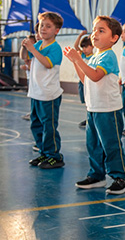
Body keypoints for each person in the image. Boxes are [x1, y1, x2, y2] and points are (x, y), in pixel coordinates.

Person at [64, 16, 125, 195]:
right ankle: (97, 175)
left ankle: (121, 178)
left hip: (108, 110)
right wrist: (76, 61)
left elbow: (95, 76)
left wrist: (78, 59)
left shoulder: (108, 56)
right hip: (93, 108)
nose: (95, 34)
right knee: (93, 144)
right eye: (94, 30)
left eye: (101, 30)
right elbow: (85, 79)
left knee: (111, 145)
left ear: (114, 38)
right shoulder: (94, 56)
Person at [22, 12, 65, 169]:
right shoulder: (39, 45)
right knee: (36, 124)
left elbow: (47, 63)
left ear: (56, 30)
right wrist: (25, 46)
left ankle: (55, 156)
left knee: (49, 127)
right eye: (41, 26)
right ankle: (44, 153)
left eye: (48, 26)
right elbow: (25, 57)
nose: (44, 29)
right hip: (36, 93)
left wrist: (32, 49)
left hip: (49, 95)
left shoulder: (55, 48)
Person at [73, 30, 94, 127]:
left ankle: (91, 118)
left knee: (91, 100)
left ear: (92, 46)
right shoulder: (82, 55)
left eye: (86, 47)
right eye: (83, 47)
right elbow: (76, 46)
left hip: (90, 82)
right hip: (81, 81)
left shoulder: (93, 57)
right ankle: (88, 118)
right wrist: (81, 35)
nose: (84, 49)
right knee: (85, 101)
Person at [19, 31, 38, 122]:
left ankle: (34, 113)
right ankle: (33, 112)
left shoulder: (36, 50)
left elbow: (33, 66)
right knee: (33, 96)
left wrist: (27, 66)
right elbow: (22, 57)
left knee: (37, 97)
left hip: (35, 78)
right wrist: (23, 46)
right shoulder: (29, 51)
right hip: (30, 78)